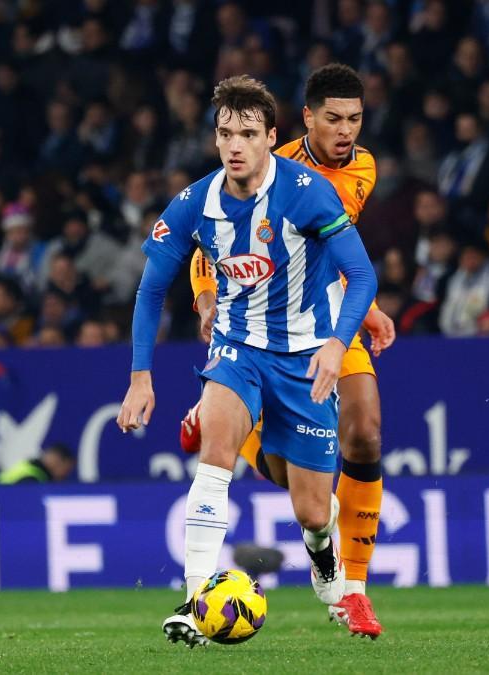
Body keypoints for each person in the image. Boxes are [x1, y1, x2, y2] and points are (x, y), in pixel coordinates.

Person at [116, 76, 377, 647]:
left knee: (312, 509)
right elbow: (149, 291)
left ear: (270, 138)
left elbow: (362, 276)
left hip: (306, 355)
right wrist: (141, 377)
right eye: (227, 133)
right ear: (216, 138)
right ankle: (193, 601)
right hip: (237, 348)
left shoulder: (307, 192)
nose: (236, 145)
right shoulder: (194, 204)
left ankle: (325, 563)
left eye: (249, 133)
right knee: (214, 459)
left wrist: (336, 344)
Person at [181, 64, 393, 638]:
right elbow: (210, 239)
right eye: (333, 119)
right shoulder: (269, 166)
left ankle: (354, 591)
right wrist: (205, 298)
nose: (345, 131)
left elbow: (330, 248)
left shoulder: (365, 168)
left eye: (354, 119)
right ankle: (239, 429)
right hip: (262, 331)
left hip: (327, 326)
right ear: (305, 119)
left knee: (366, 430)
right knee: (294, 482)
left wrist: (363, 307)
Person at [0, 443, 76, 484]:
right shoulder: (31, 478)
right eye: (66, 470)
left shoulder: (32, 468)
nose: (65, 475)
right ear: (55, 460)